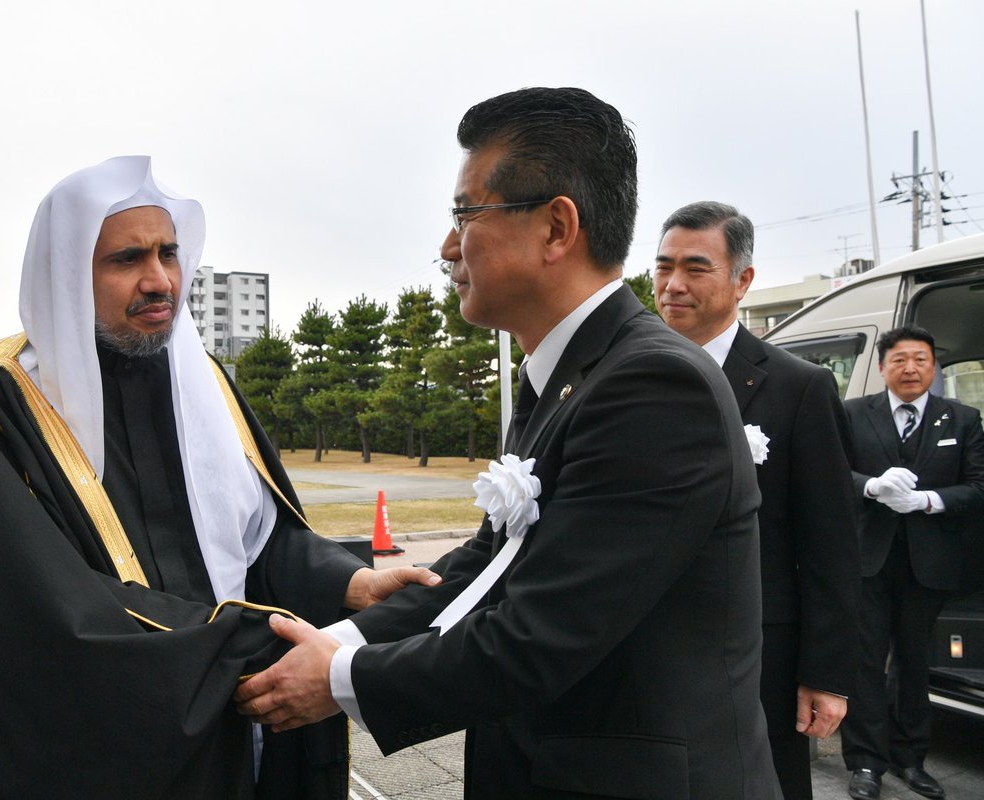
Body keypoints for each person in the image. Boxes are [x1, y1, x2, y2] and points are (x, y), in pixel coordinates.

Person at [236, 87, 782, 799]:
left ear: (556, 228)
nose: (447, 248)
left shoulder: (652, 384)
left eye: (465, 215)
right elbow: (490, 563)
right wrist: (341, 641)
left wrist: (337, 679)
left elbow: (540, 634)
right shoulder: (568, 372)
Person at [0, 156, 436, 799]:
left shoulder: (202, 379)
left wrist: (351, 583)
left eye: (169, 254)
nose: (159, 280)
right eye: (127, 259)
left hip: (233, 717)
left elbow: (261, 537)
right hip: (91, 743)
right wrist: (248, 644)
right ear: (67, 274)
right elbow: (39, 600)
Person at [653, 201, 861, 800]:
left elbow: (831, 544)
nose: (673, 284)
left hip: (757, 653)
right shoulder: (625, 376)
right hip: (647, 645)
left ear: (743, 280)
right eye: (664, 266)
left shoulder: (799, 387)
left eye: (696, 268)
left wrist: (825, 674)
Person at [840, 325, 984, 800]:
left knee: (914, 662)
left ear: (934, 367)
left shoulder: (961, 419)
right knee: (865, 662)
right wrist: (870, 486)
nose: (910, 368)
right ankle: (865, 762)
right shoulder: (853, 413)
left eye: (920, 359)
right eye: (899, 360)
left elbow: (978, 487)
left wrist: (927, 500)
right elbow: (832, 472)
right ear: (882, 367)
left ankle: (911, 758)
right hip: (868, 560)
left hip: (929, 563)